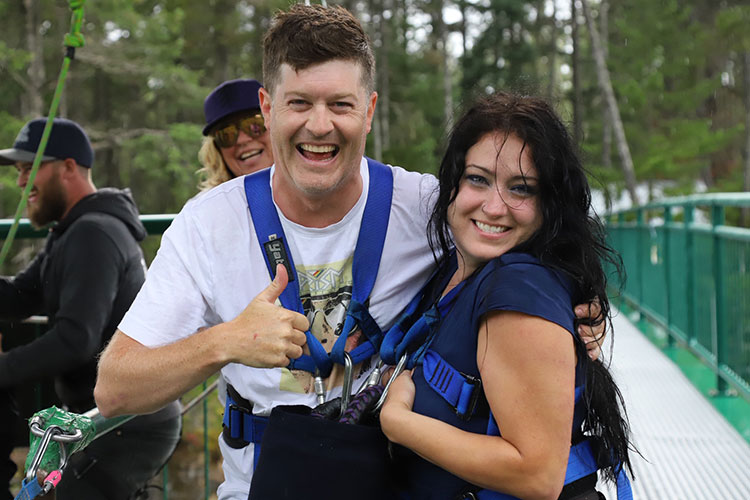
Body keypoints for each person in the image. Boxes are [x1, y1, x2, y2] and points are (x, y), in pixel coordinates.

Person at [94, 6, 605, 499]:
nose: (320, 126)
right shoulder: (208, 225)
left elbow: (529, 242)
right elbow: (115, 390)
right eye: (299, 103)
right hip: (262, 481)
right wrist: (223, 343)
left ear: (369, 111)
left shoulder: (428, 206)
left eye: (340, 104)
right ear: (268, 108)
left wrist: (581, 312)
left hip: (390, 477)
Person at [379, 92, 632, 499]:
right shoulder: (455, 271)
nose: (494, 207)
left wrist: (398, 422)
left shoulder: (516, 288)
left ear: (550, 205)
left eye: (522, 189)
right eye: (478, 179)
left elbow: (537, 475)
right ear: (454, 184)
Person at [0, 118, 181, 500]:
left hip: (128, 421)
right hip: (101, 417)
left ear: (67, 168)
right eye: (18, 171)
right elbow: (18, 296)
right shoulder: (72, 230)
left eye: (30, 168)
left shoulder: (93, 233)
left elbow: (74, 340)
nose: (21, 182)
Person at [197, 78, 273, 191]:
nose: (242, 140)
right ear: (217, 150)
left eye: (255, 126)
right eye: (227, 135)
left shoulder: (308, 191)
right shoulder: (204, 207)